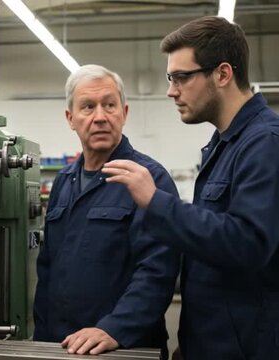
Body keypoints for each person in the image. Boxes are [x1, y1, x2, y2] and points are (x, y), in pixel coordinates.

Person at [102, 16, 279, 360]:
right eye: (171, 78)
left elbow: (248, 244)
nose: (171, 90)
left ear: (223, 74)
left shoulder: (265, 143)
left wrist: (155, 201)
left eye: (182, 77)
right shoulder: (225, 144)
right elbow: (211, 252)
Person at [33, 64, 180, 357]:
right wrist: (42, 337)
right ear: (70, 118)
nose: (100, 116)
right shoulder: (63, 180)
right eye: (88, 107)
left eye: (109, 105)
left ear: (123, 113)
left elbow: (157, 271)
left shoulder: (148, 178)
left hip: (124, 347)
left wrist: (116, 327)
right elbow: (48, 268)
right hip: (63, 345)